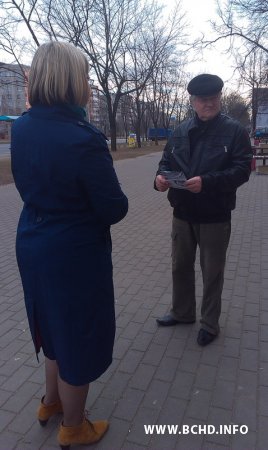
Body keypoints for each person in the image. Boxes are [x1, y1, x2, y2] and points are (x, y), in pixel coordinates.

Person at [11, 42, 128, 449]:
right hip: (74, 253)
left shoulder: (21, 126)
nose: (89, 84)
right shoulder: (83, 138)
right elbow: (113, 208)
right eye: (84, 75)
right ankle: (74, 427)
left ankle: (50, 403)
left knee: (51, 325)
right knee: (78, 332)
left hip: (32, 241)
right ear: (70, 80)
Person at [154, 73, 252, 346]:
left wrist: (207, 183)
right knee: (180, 266)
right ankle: (182, 312)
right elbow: (165, 162)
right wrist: (159, 180)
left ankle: (209, 323)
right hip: (182, 212)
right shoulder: (181, 130)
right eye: (202, 99)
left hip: (214, 214)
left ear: (220, 98)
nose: (208, 104)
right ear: (193, 101)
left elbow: (243, 170)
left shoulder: (234, 131)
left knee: (212, 272)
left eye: (213, 98)